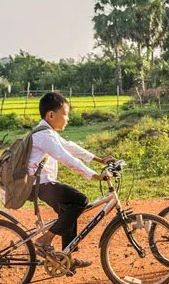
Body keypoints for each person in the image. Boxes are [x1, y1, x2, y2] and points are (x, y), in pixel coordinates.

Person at [30, 91, 113, 270]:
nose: (67, 118)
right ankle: (45, 240)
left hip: (41, 183)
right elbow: (65, 157)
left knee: (69, 212)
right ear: (51, 115)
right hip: (40, 184)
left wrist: (99, 160)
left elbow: (69, 147)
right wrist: (94, 175)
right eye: (65, 114)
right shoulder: (44, 135)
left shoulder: (48, 132)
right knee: (80, 200)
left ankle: (65, 258)